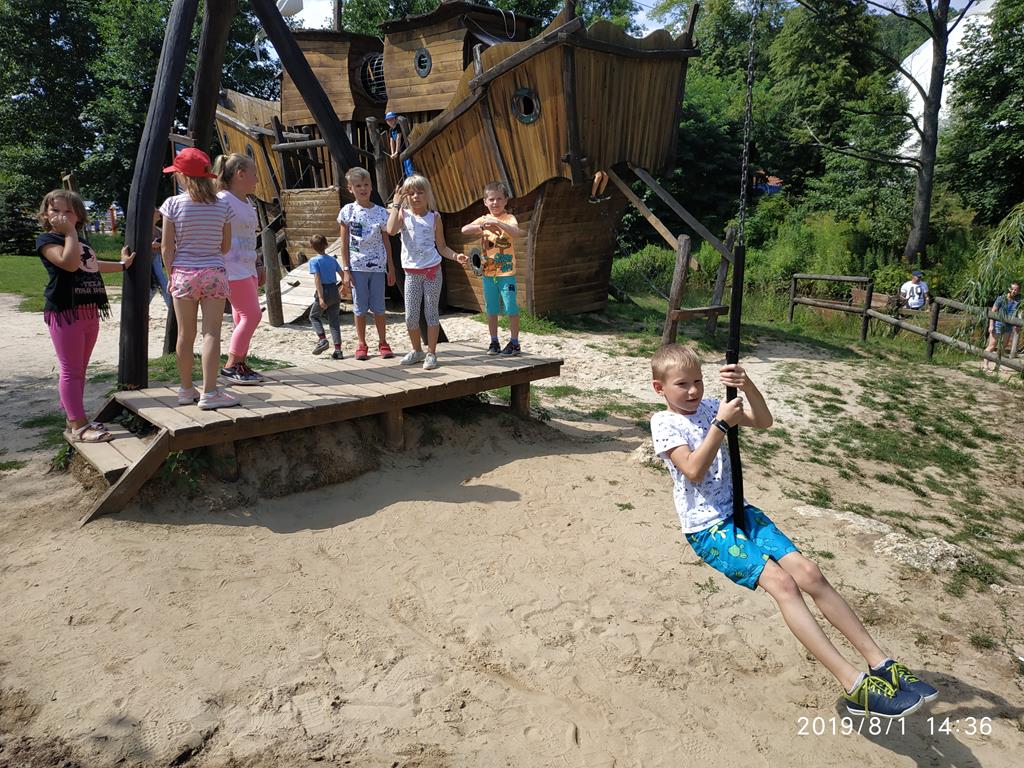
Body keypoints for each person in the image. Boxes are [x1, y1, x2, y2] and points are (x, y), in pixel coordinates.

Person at [649, 343, 938, 718]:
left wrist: (746, 385)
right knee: (783, 585)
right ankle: (853, 685)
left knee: (809, 573)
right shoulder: (664, 422)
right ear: (660, 388)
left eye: (699, 381)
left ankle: (881, 663)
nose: (693, 391)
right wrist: (720, 425)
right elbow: (693, 470)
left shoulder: (709, 406)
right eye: (682, 384)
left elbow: (763, 420)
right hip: (709, 529)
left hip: (740, 512)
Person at [36, 190, 135, 443]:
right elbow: (69, 263)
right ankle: (79, 426)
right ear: (46, 214)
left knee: (80, 369)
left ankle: (74, 419)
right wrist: (70, 232)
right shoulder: (47, 240)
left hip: (89, 311)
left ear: (79, 215)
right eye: (55, 210)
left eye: (68, 211)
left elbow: (91, 264)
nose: (61, 215)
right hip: (65, 313)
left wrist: (122, 265)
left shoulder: (78, 241)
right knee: (71, 370)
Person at [160, 147, 239, 410]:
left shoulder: (172, 204)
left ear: (182, 175)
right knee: (211, 333)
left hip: (183, 274)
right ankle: (210, 392)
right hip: (213, 272)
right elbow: (225, 247)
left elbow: (166, 248)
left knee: (185, 334)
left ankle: (185, 390)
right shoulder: (223, 205)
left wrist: (171, 274)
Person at [384, 174, 467, 370]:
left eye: (420, 192)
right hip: (412, 274)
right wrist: (396, 204)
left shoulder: (434, 217)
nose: (416, 196)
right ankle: (417, 350)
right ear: (405, 196)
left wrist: (456, 256)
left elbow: (442, 247)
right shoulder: (403, 214)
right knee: (410, 316)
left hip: (432, 272)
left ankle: (431, 353)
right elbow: (391, 230)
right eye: (411, 193)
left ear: (427, 194)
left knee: (431, 314)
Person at [215, 153, 266, 385]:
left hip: (247, 266)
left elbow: (250, 237)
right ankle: (231, 364)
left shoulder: (247, 202)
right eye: (254, 174)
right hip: (231, 267)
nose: (257, 180)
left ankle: (241, 363)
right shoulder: (222, 200)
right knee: (252, 315)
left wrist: (258, 263)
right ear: (240, 174)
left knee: (240, 316)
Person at [337, 167, 396, 361]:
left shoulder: (381, 212)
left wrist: (391, 267)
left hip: (378, 267)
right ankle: (361, 344)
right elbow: (344, 242)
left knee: (379, 307)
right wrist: (346, 270)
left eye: (366, 185)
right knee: (360, 307)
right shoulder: (348, 211)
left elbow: (386, 241)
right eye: (358, 186)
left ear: (371, 186)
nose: (363, 189)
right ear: (350, 188)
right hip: (357, 267)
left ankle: (383, 342)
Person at [460, 181, 525, 356]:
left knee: (511, 308)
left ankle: (514, 343)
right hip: (488, 273)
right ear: (485, 202)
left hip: (506, 273)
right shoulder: (483, 219)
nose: (495, 202)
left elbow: (516, 233)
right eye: (491, 199)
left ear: (506, 200)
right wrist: (482, 226)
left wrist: (497, 223)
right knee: (491, 310)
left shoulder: (509, 218)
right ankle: (494, 341)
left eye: (499, 199)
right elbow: (464, 230)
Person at [307, 235, 345, 360]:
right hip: (334, 290)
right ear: (326, 245)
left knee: (313, 316)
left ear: (312, 247)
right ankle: (338, 350)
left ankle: (322, 339)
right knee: (334, 321)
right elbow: (342, 275)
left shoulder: (314, 261)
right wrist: (344, 287)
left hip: (324, 290)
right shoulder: (332, 260)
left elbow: (317, 279)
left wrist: (321, 297)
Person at [984, 281, 1021, 369]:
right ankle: (985, 365)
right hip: (998, 324)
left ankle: (997, 366)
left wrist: (1017, 325)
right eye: (1012, 289)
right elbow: (993, 311)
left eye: (1016, 290)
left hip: (1008, 327)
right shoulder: (1001, 298)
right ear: (1009, 288)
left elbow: (1016, 314)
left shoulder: (1018, 301)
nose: (1013, 291)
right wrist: (991, 325)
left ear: (1018, 291)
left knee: (1002, 347)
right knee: (992, 346)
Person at [385, 111, 415, 178]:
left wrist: (396, 151)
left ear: (395, 119)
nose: (390, 121)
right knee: (406, 169)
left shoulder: (398, 127)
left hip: (406, 149)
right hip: (401, 151)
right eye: (388, 120)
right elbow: (391, 141)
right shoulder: (391, 130)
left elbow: (398, 138)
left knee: (409, 167)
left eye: (391, 119)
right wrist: (392, 153)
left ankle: (413, 180)